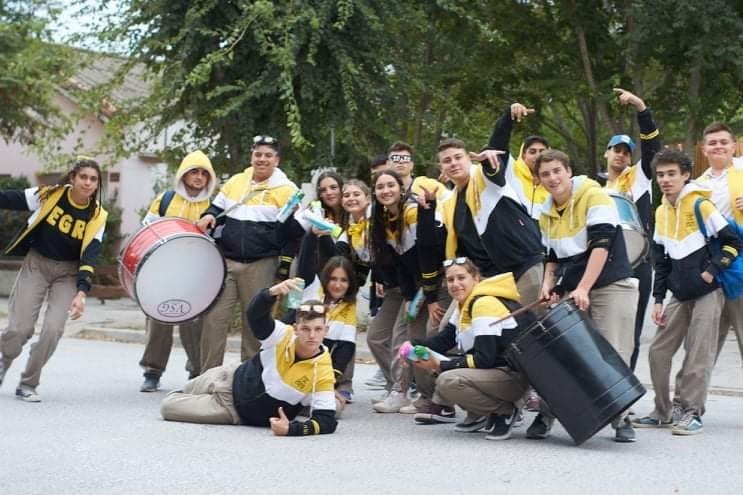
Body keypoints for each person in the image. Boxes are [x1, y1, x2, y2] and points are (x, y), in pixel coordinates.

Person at [633, 149, 741, 435]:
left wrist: (712, 271)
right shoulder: (660, 211)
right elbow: (661, 260)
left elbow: (733, 243)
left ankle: (692, 412)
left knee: (698, 354)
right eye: (660, 175)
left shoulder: (700, 205)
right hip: (678, 294)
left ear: (685, 175)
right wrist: (657, 300)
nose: (665, 180)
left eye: (672, 174)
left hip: (708, 292)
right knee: (658, 352)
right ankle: (662, 411)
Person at [535, 149, 639, 442]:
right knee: (561, 350)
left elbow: (601, 246)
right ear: (539, 180)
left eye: (557, 170)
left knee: (611, 351)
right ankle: (547, 414)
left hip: (609, 281)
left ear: (568, 170)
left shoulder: (594, 195)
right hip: (574, 283)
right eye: (545, 174)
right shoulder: (545, 209)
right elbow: (552, 255)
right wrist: (548, 284)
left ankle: (621, 418)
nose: (552, 178)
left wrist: (583, 288)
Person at [160, 280, 337, 436]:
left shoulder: (323, 371)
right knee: (186, 389)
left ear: (326, 331)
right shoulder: (283, 334)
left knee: (168, 406)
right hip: (228, 375)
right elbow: (255, 317)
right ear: (296, 328)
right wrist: (270, 293)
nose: (312, 335)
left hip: (231, 409)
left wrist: (291, 429)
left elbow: (327, 421)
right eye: (306, 329)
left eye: (318, 329)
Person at [0, 158, 107, 402]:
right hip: (37, 264)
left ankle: (28, 383)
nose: (88, 183)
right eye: (83, 177)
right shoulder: (50, 194)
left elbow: (91, 254)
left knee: (52, 330)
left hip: (68, 274)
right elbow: (10, 198)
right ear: (72, 178)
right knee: (19, 328)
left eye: (93, 179)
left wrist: (81, 292)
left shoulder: (97, 215)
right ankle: (4, 360)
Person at [196, 135, 303, 373]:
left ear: (277, 160)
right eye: (258, 154)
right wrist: (209, 214)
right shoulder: (236, 181)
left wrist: (283, 268)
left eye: (268, 155)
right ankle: (206, 377)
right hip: (226, 261)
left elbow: (293, 235)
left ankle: (250, 379)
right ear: (251, 156)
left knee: (254, 323)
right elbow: (217, 207)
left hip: (261, 264)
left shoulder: (287, 190)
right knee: (214, 320)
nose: (262, 159)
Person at [403, 259, 537, 440]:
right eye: (450, 280)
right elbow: (443, 341)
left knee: (448, 379)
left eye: (461, 278)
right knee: (430, 358)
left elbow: (485, 359)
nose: (455, 284)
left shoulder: (483, 304)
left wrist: (441, 364)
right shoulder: (465, 304)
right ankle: (480, 413)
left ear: (476, 278)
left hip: (512, 378)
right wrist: (411, 347)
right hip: (497, 373)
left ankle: (505, 411)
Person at [138, 150, 217, 392]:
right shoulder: (165, 199)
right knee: (158, 320)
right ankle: (152, 371)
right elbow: (146, 229)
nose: (199, 177)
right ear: (184, 174)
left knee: (194, 325)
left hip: (197, 274)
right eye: (194, 171)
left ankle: (195, 372)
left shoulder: (213, 205)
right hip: (163, 271)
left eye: (204, 173)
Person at [367, 169, 445, 413]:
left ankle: (436, 398)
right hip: (415, 289)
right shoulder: (383, 221)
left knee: (430, 337)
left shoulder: (413, 212)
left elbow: (429, 255)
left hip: (438, 282)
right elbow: (399, 265)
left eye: (391, 185)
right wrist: (411, 297)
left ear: (402, 188)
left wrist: (430, 296)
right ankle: (404, 391)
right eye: (380, 187)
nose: (386, 191)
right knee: (407, 338)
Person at [434, 138, 544, 305]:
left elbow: (494, 167)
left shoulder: (484, 177)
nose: (453, 163)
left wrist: (508, 117)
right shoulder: (448, 203)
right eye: (447, 161)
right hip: (486, 276)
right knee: (452, 327)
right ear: (441, 167)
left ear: (469, 159)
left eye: (458, 157)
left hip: (522, 264)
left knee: (525, 325)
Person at [603, 88, 662, 371]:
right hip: (605, 264)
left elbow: (652, 147)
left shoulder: (638, 178)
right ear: (607, 153)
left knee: (632, 332)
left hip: (637, 264)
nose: (622, 155)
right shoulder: (595, 189)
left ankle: (624, 391)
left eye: (627, 152)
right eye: (617, 150)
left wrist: (641, 108)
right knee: (602, 332)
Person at [696, 123, 743, 361]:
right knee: (707, 343)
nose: (718, 147)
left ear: (734, 146)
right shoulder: (697, 186)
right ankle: (690, 397)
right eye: (712, 143)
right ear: (704, 149)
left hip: (740, 266)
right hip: (714, 266)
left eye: (724, 142)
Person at [290, 254, 359, 414]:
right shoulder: (313, 289)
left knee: (335, 408)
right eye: (333, 279)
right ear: (325, 278)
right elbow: (305, 261)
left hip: (315, 373)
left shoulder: (349, 307)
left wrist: (328, 385)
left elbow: (344, 350)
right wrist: (314, 234)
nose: (337, 285)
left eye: (344, 280)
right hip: (291, 365)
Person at [485, 102, 549, 220]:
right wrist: (508, 117)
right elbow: (498, 145)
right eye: (532, 151)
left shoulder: (554, 183)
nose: (538, 156)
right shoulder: (511, 170)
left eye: (542, 151)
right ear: (523, 155)